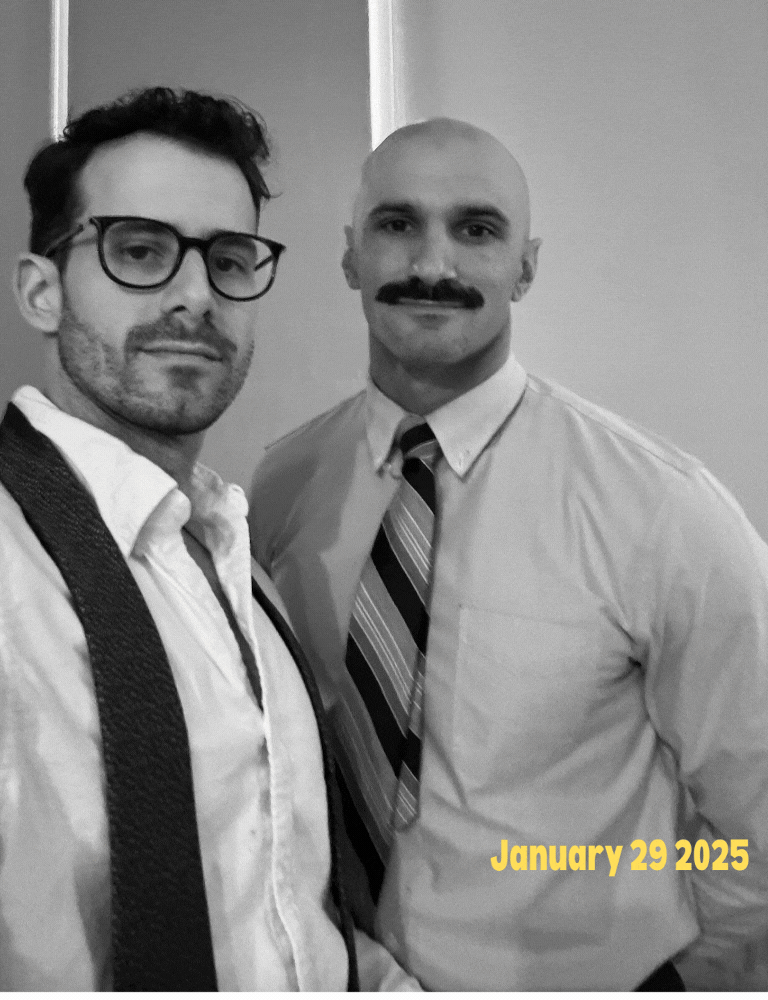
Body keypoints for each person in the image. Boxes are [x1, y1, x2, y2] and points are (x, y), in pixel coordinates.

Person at [0, 87, 418, 991]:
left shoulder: (239, 573)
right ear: (42, 291)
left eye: (229, 259)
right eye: (140, 250)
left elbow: (294, 921)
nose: (196, 295)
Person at [249, 117, 768, 991]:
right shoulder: (282, 485)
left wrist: (676, 981)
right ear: (350, 256)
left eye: (477, 230)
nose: (433, 264)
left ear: (525, 267)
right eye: (397, 224)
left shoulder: (663, 510)